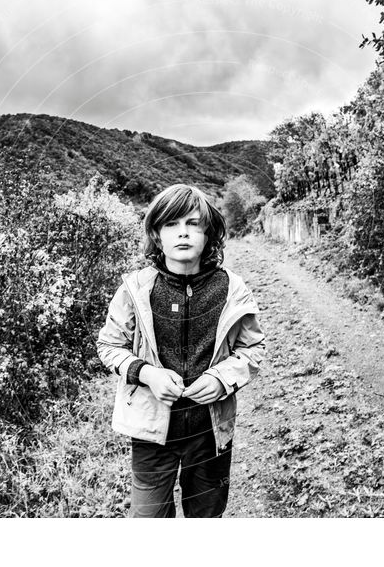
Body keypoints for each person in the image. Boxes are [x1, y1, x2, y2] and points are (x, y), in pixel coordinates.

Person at [96, 183, 266, 518]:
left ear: (208, 233)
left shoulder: (231, 288)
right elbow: (109, 345)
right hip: (151, 433)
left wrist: (221, 379)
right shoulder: (135, 289)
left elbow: (253, 348)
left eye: (192, 223)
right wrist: (147, 374)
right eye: (171, 224)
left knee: (205, 517)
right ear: (157, 236)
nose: (183, 233)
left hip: (211, 433)